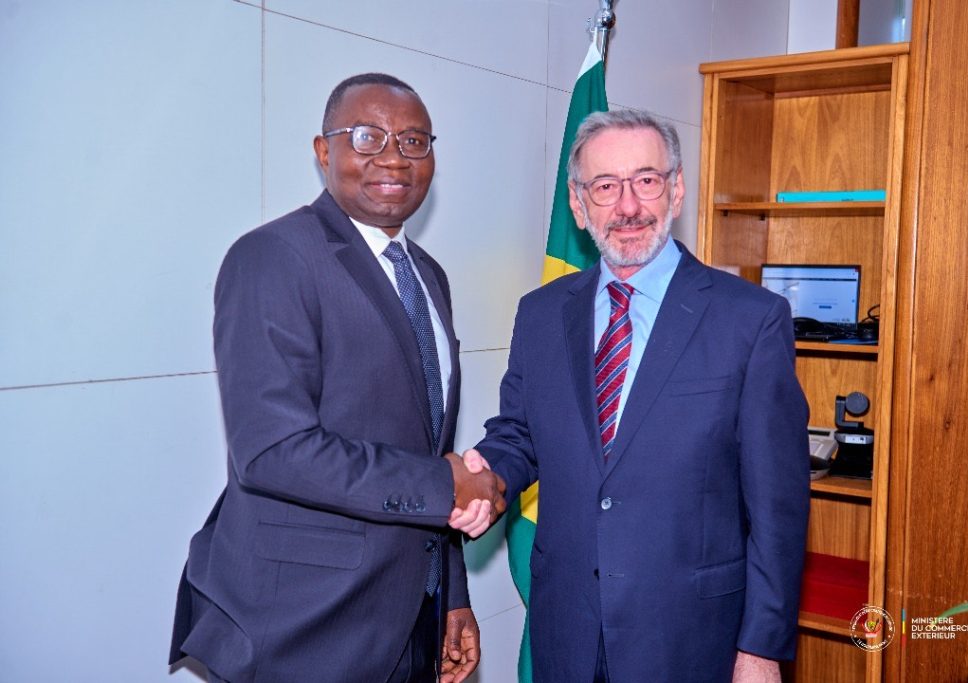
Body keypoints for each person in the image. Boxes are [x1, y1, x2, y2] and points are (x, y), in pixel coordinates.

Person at [450, 109, 810, 682]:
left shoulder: (750, 318)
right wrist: (485, 477)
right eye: (604, 186)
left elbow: (778, 503)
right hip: (566, 627)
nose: (627, 206)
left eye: (645, 180)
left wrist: (761, 648)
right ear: (578, 205)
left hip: (691, 636)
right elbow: (519, 435)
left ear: (676, 189)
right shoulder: (541, 313)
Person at [170, 73, 505, 683]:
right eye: (367, 136)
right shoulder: (273, 256)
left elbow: (427, 446)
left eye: (413, 141)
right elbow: (272, 451)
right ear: (323, 151)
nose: (393, 158)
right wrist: (445, 486)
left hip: (410, 618)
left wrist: (450, 593)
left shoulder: (428, 275)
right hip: (303, 628)